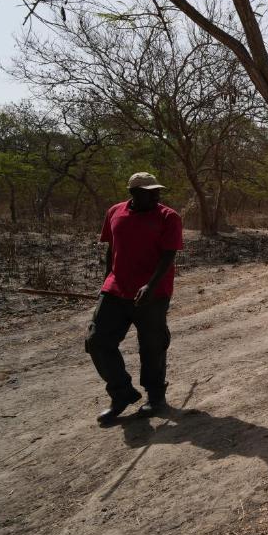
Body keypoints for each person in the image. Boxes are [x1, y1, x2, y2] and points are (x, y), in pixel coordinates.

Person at [86, 172, 184, 424]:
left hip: (153, 294)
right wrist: (107, 280)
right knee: (96, 341)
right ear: (133, 193)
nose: (156, 195)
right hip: (115, 289)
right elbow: (112, 249)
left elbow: (168, 254)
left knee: (152, 346)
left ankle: (155, 397)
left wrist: (150, 285)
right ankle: (122, 393)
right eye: (149, 192)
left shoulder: (168, 217)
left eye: (157, 191)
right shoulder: (115, 212)